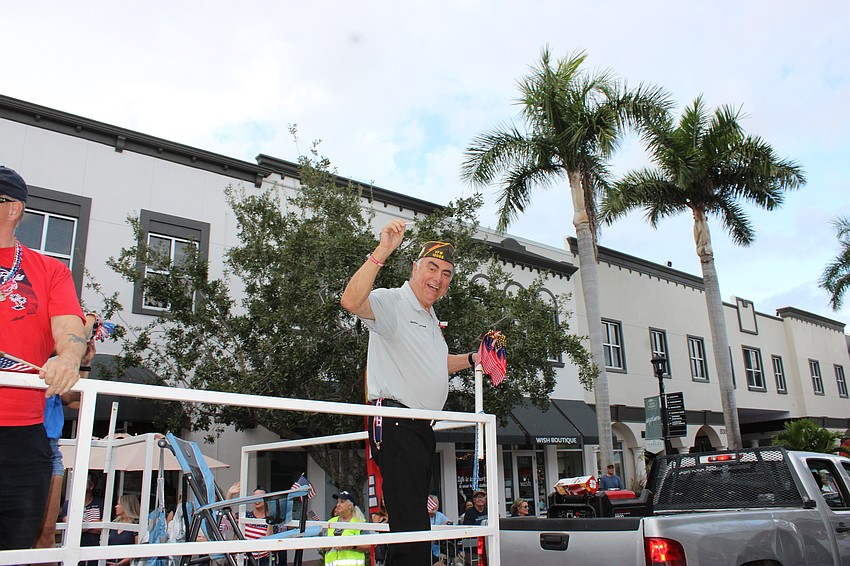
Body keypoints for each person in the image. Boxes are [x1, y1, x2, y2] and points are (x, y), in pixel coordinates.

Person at [341, 220, 478, 566]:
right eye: (432, 267)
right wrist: (383, 250)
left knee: (413, 521)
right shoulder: (395, 302)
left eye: (446, 273)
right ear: (415, 267)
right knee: (412, 527)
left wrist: (475, 358)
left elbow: (436, 364)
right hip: (397, 422)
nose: (438, 278)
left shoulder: (430, 318)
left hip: (419, 429)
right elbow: (351, 301)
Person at [0, 165, 87, 551]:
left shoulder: (50, 270)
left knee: (15, 546)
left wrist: (67, 358)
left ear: (13, 208)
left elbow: (71, 329)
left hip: (22, 434)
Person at [35, 316, 98, 562]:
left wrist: (83, 364)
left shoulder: (61, 364)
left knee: (47, 533)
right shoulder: (38, 352)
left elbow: (72, 398)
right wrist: (87, 326)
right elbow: (79, 329)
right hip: (21, 437)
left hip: (51, 446)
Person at [224, 482, 282, 566]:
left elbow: (269, 542)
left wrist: (270, 521)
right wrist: (230, 494)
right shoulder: (246, 516)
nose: (256, 500)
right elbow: (228, 515)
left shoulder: (271, 519)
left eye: (259, 497)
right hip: (241, 559)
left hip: (262, 560)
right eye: (254, 497)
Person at [325, 490, 369, 566]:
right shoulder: (331, 522)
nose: (338, 505)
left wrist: (352, 546)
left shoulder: (359, 523)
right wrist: (330, 544)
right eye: (337, 502)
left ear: (350, 505)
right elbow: (323, 545)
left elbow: (367, 546)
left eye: (342, 502)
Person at [105, 493, 141, 566]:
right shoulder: (115, 523)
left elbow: (137, 550)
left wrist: (119, 564)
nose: (116, 506)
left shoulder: (136, 525)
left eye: (118, 504)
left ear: (126, 506)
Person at [427, 495, 449, 564]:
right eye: (432, 504)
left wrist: (442, 526)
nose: (434, 506)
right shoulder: (423, 516)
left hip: (437, 548)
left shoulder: (439, 515)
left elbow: (449, 523)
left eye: (436, 504)